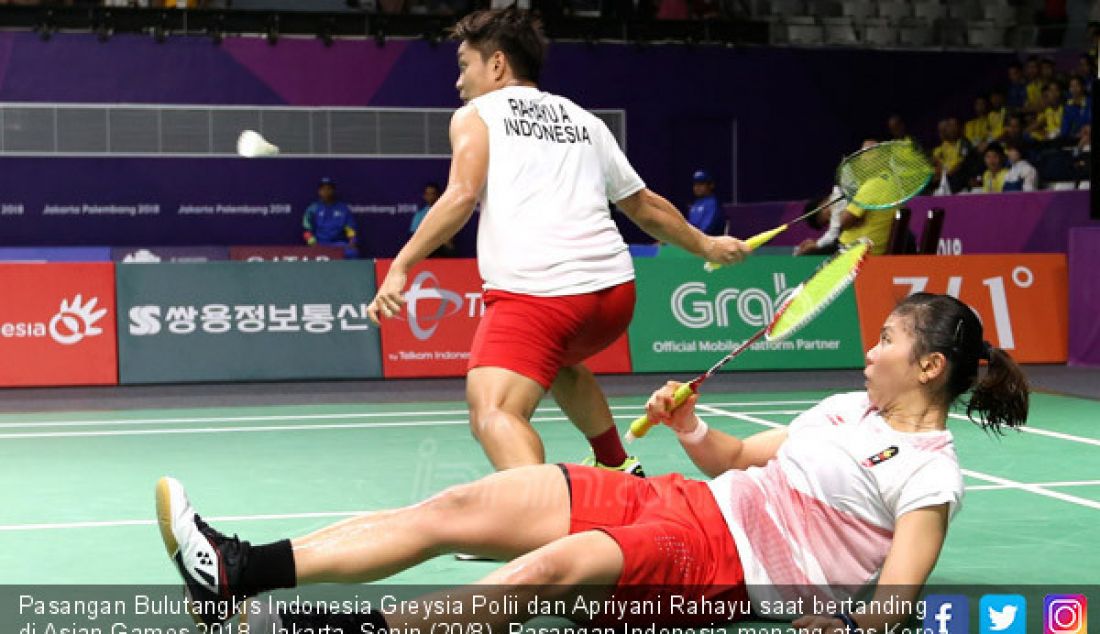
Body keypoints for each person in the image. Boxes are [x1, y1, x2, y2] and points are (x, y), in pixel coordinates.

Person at [156, 292, 1030, 634]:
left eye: (885, 341)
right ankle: (237, 571)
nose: (868, 350)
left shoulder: (928, 475)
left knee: (554, 568)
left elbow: (895, 606)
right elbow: (737, 456)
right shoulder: (846, 408)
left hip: (727, 569)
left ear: (929, 368)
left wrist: (834, 627)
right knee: (467, 505)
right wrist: (688, 425)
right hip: (690, 502)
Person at [367, 8, 748, 474]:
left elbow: (461, 195)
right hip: (612, 298)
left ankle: (541, 517)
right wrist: (707, 246)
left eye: (464, 66)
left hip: (540, 294)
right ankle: (615, 464)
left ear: (498, 64)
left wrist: (403, 265)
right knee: (558, 362)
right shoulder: (584, 120)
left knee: (494, 411)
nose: (459, 82)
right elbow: (643, 205)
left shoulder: (476, 115)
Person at [302, 177, 358, 259]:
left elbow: (350, 229)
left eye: (329, 189)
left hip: (338, 244)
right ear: (319, 192)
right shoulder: (312, 208)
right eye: (323, 189)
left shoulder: (343, 209)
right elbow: (306, 230)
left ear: (333, 191)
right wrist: (313, 244)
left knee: (352, 252)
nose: (326, 192)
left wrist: (352, 242)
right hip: (319, 244)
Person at [409, 182, 457, 257]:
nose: (431, 197)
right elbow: (414, 236)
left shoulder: (446, 212)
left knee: (449, 247)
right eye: (428, 194)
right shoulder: (419, 215)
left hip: (441, 244)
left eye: (433, 194)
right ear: (424, 196)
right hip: (425, 245)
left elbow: (449, 233)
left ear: (439, 195)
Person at [686, 169, 725, 236]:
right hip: (693, 240)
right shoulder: (695, 203)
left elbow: (707, 230)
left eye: (701, 184)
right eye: (695, 184)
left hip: (709, 242)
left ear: (711, 185)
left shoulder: (713, 204)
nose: (697, 187)